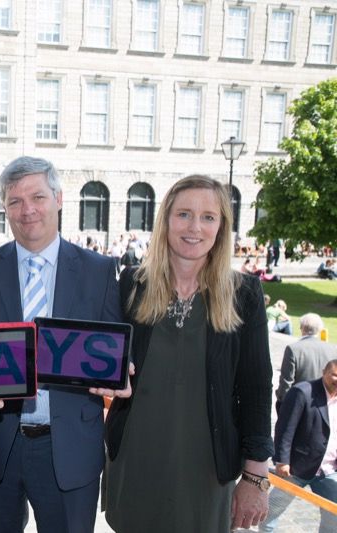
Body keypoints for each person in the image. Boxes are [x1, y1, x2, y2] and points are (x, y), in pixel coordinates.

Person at [0, 156, 124, 533]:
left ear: (59, 199)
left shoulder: (99, 270)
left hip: (69, 448)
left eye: (37, 197)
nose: (27, 210)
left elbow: (112, 349)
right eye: (15, 201)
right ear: (4, 208)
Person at [105, 175, 273, 532]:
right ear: (165, 220)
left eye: (208, 217)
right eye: (183, 214)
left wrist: (255, 475)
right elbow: (109, 362)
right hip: (137, 459)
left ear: (222, 227)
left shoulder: (244, 294)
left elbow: (257, 387)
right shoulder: (132, 285)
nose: (194, 227)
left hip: (207, 469)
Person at [260, 360, 337, 533]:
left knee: (334, 515)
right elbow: (285, 427)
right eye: (334, 374)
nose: (336, 380)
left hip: (328, 469)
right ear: (323, 371)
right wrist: (282, 460)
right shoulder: (303, 392)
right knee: (272, 509)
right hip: (297, 467)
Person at [275, 313, 337, 413]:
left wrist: (282, 400)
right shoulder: (333, 349)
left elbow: (286, 382)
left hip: (299, 403)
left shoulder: (293, 349)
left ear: (302, 328)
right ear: (320, 329)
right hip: (325, 404)